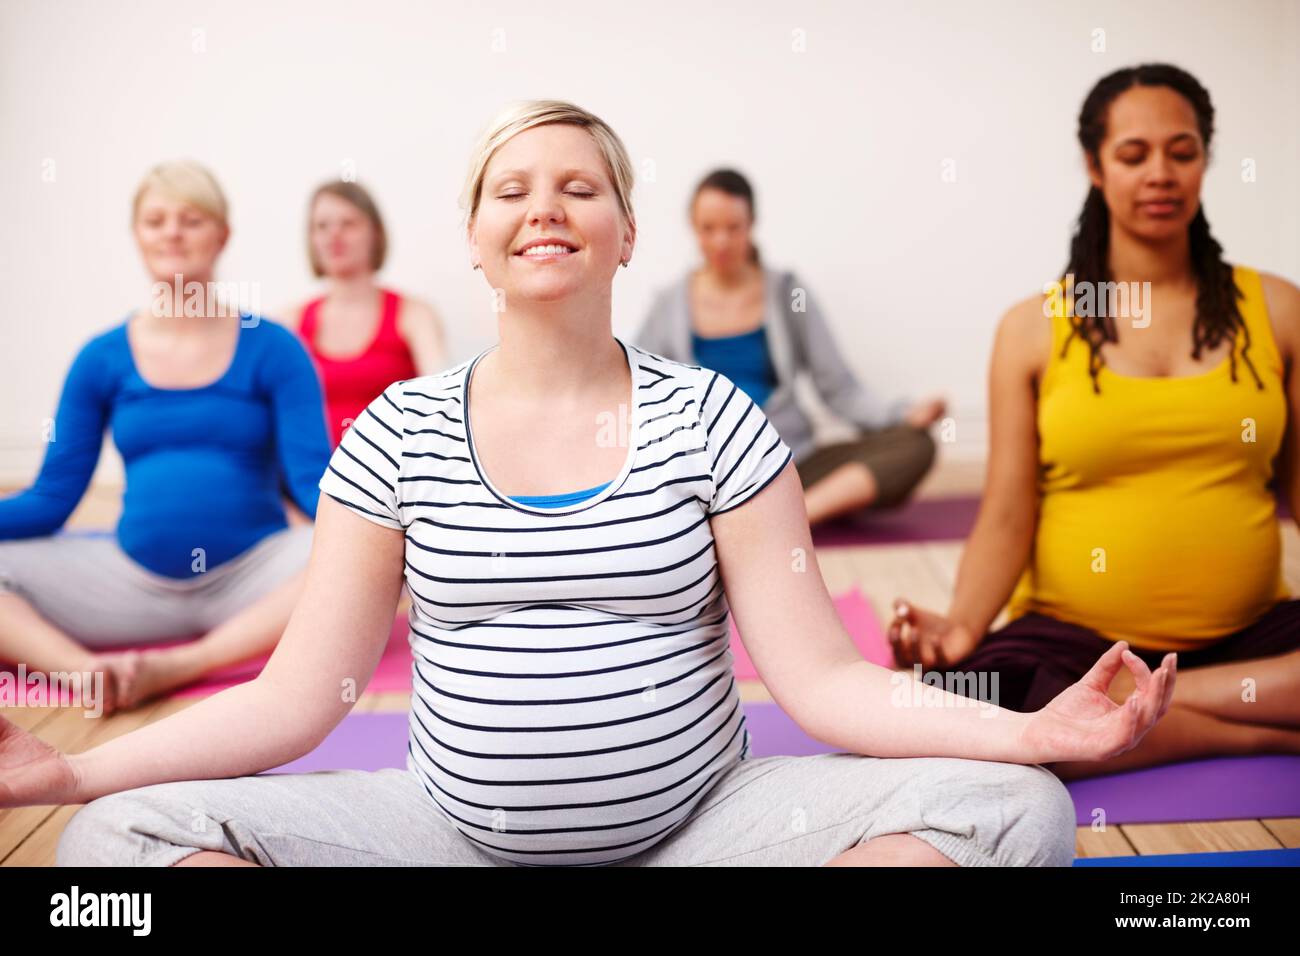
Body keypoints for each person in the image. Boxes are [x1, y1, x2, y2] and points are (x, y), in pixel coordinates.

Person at [23, 102, 1173, 869]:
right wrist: (72, 766)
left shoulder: (716, 421)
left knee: (1021, 815)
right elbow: (293, 700)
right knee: (107, 849)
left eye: (580, 187)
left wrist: (1029, 735)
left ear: (625, 234)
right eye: (511, 189)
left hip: (707, 828)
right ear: (473, 238)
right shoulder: (396, 433)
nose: (544, 207)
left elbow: (825, 683)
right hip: (442, 832)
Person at [889, 63, 1300, 781]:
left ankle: (1135, 710)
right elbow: (1009, 512)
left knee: (1030, 725)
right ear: (1094, 165)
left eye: (1183, 150)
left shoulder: (1279, 309)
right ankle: (1253, 734)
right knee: (955, 707)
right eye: (1134, 154)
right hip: (1075, 646)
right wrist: (961, 628)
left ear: (1205, 157)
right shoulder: (1032, 329)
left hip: (1251, 640)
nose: (1161, 174)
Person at [0, 160, 331, 713]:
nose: (172, 232)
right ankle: (87, 674)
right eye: (156, 220)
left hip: (256, 582)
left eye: (192, 219)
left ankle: (182, 666)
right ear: (137, 236)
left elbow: (312, 484)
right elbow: (52, 501)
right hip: (131, 586)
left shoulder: (274, 348)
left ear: (222, 234)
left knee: (370, 560)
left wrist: (383, 538)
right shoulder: (100, 357)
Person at [635, 169, 946, 527]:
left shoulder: (787, 292)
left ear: (751, 224)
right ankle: (765, 518)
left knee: (915, 445)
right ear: (693, 227)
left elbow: (839, 388)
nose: (721, 241)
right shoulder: (668, 305)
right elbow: (642, 392)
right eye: (708, 229)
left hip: (792, 465)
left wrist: (901, 415)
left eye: (733, 228)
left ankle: (790, 518)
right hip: (711, 472)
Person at [278, 180, 447, 448]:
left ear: (375, 233)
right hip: (310, 481)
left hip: (394, 481)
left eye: (348, 223)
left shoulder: (415, 315)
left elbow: (441, 404)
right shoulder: (288, 322)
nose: (334, 234)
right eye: (322, 226)